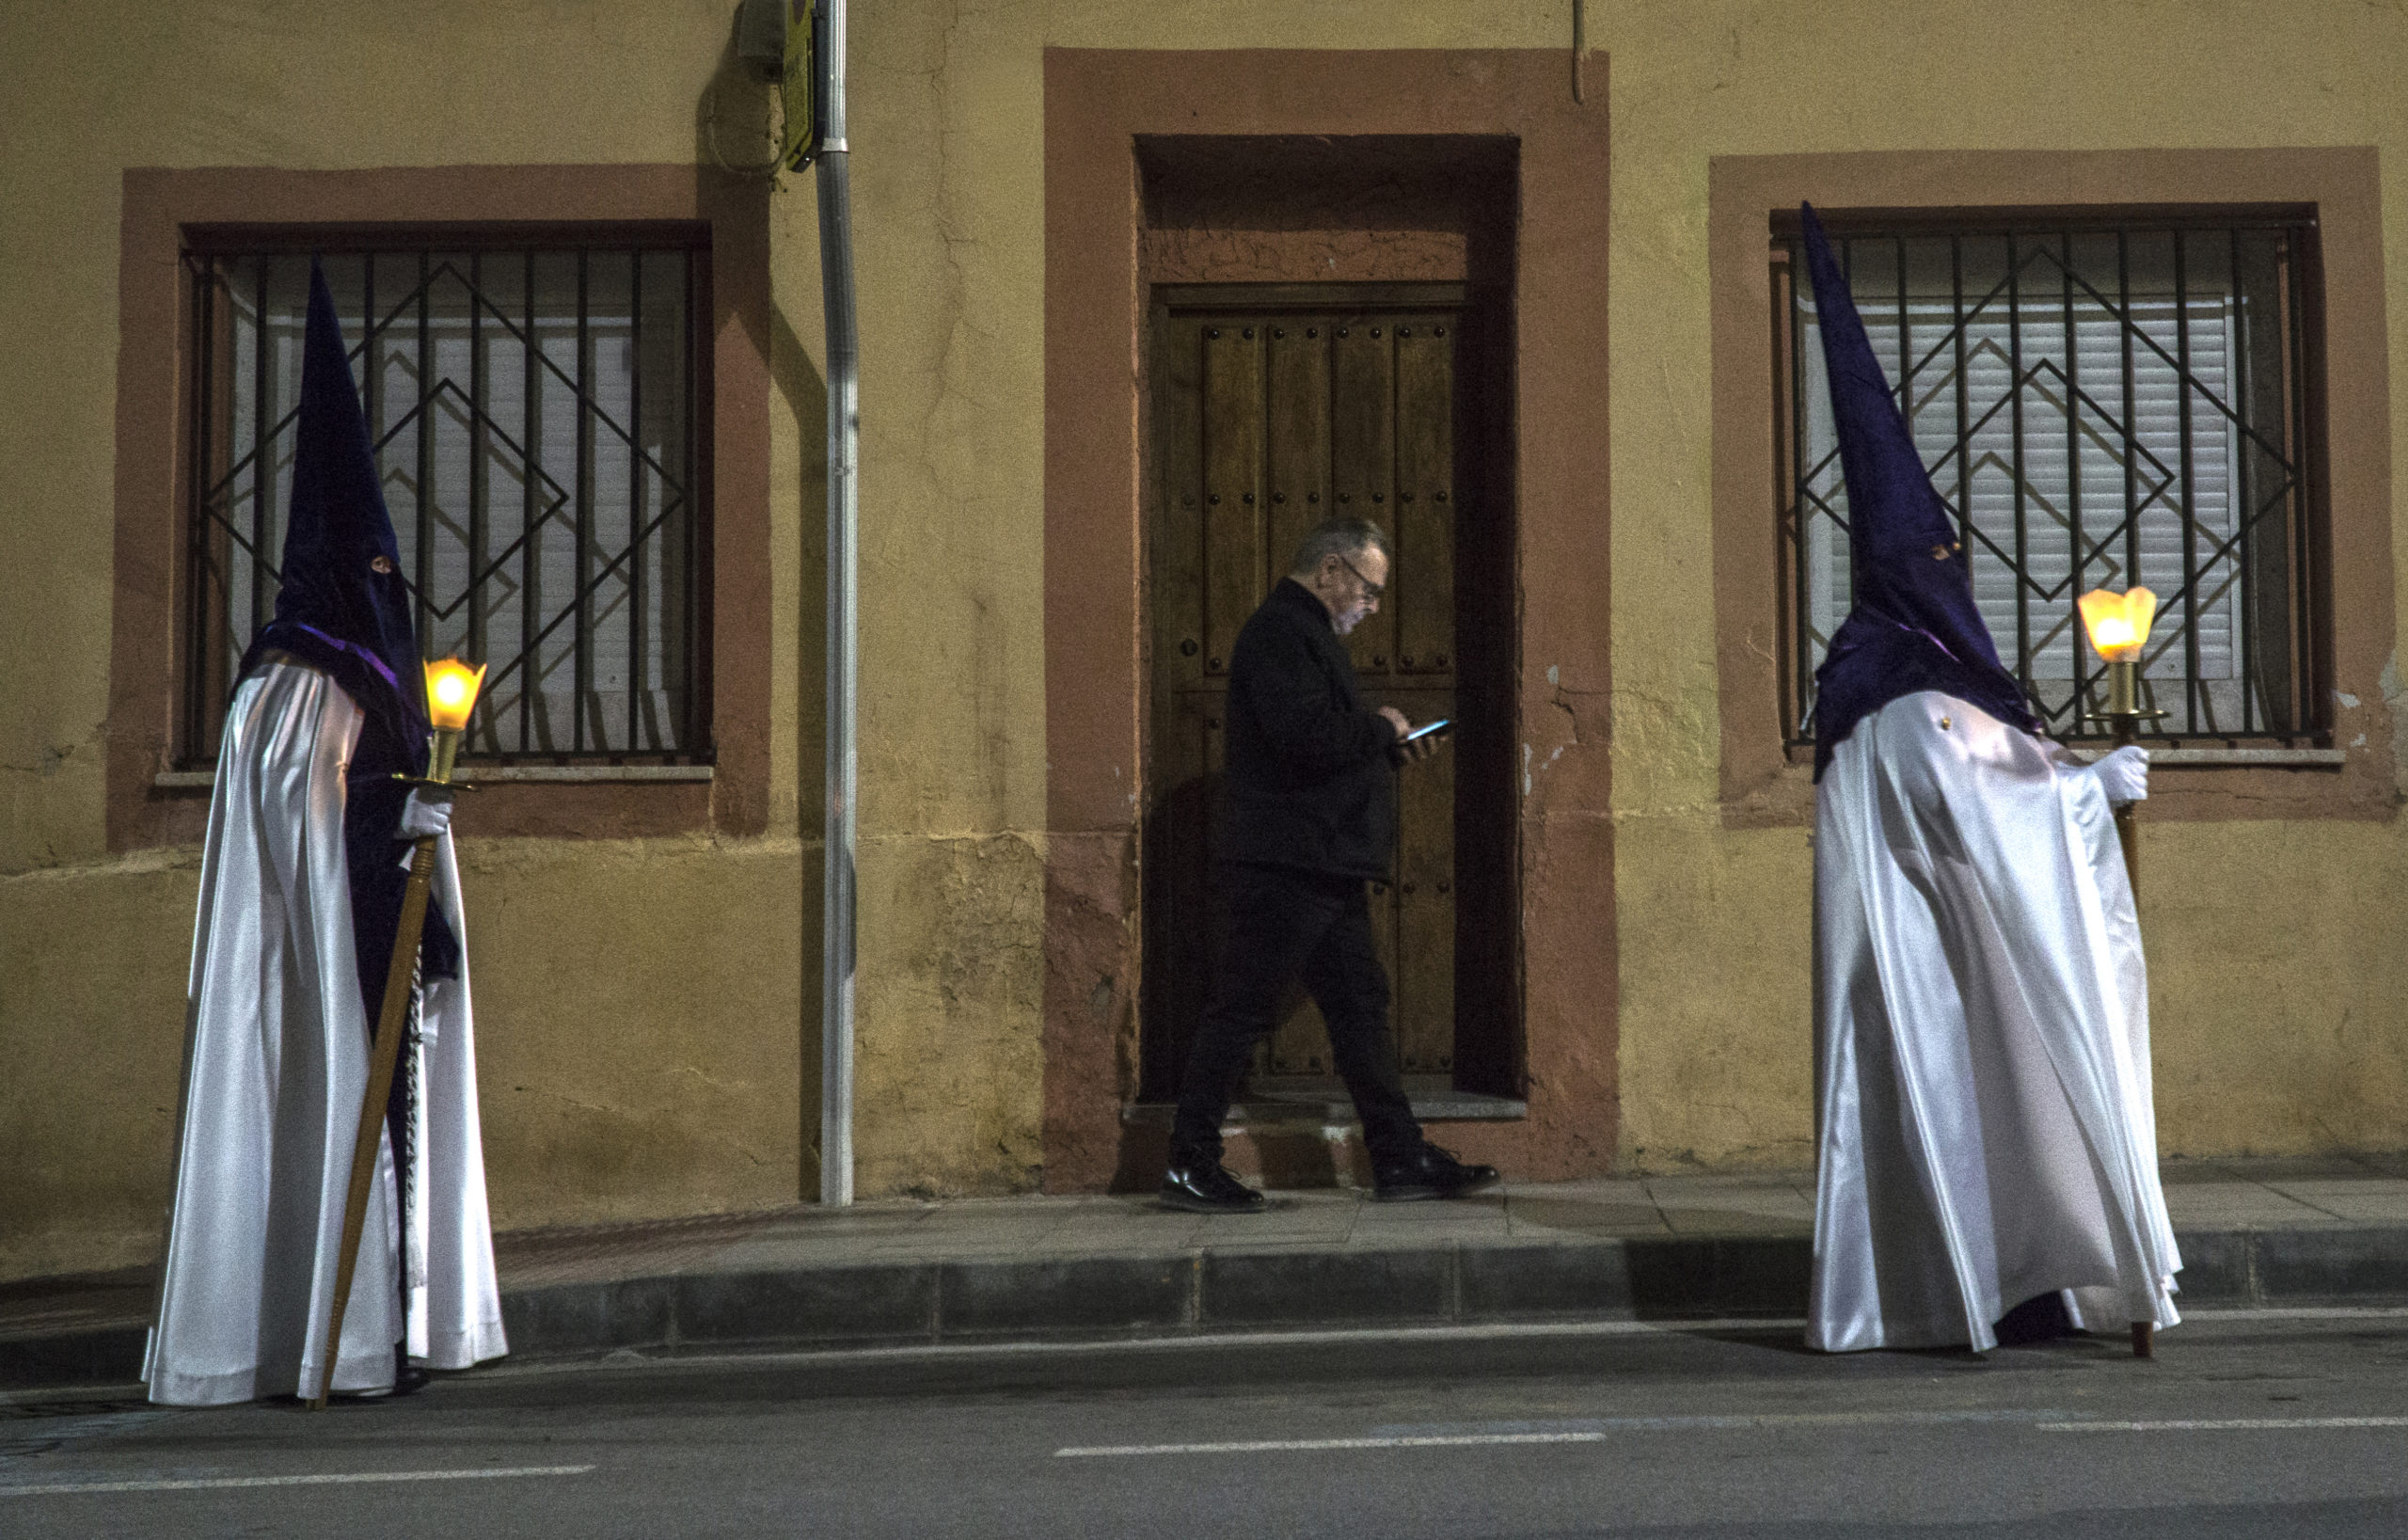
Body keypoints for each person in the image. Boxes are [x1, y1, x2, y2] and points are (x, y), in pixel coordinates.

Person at [1796, 203, 2180, 1353]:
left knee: (2003, 1110)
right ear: (1902, 577)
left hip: (1969, 952)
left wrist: (2066, 770)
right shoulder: (1898, 689)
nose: (1952, 571)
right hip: (1945, 964)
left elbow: (1987, 773)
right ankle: (1977, 1286)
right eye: (1938, 559)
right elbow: (1974, 805)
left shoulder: (1902, 676)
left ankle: (2021, 1276)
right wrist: (2084, 791)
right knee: (1973, 1108)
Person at [146, 262, 507, 1405]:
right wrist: (401, 825)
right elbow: (313, 826)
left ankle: (365, 1333)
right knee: (334, 1109)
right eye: (376, 569)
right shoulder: (302, 684)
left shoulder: (306, 679)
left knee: (365, 1110)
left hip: (362, 936)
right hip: (331, 956)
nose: (388, 586)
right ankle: (340, 1340)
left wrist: (418, 823)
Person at [1161, 518, 1500, 1213]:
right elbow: (1304, 738)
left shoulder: (1303, 634)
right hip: (1291, 863)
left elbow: (1321, 752)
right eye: (1369, 591)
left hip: (1322, 862)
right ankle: (1189, 1162)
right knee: (1242, 1008)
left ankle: (1398, 1156)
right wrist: (1380, 728)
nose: (1372, 607)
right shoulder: (1281, 633)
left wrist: (1386, 751)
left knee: (1359, 1009)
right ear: (1331, 570)